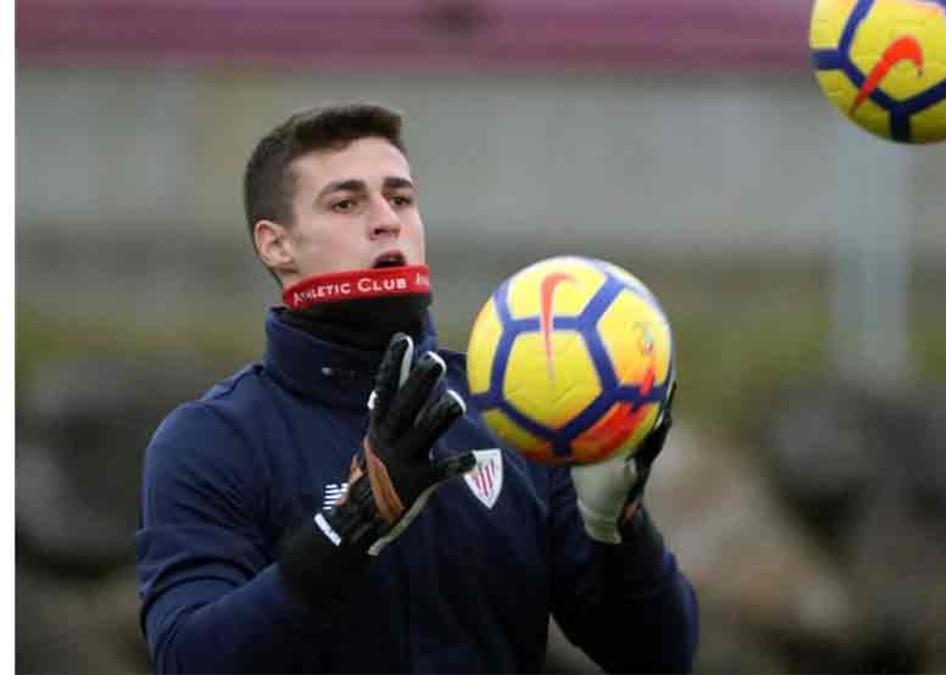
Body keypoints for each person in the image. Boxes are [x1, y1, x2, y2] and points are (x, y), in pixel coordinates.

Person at [136, 102, 699, 673]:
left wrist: (621, 530)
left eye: (400, 198)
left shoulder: (516, 417)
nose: (387, 220)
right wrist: (354, 524)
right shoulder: (212, 440)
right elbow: (188, 658)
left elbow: (660, 656)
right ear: (276, 244)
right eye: (346, 202)